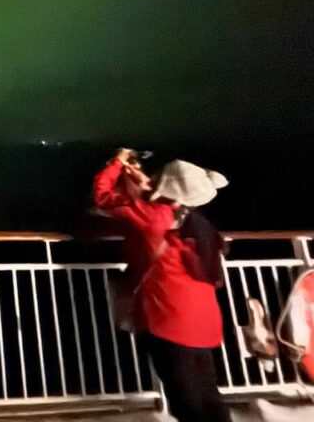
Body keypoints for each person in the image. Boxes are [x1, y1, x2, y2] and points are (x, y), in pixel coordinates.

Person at [93, 148, 231, 422]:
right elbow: (159, 201)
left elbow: (103, 197)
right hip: (204, 322)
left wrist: (117, 163)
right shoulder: (199, 224)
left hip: (170, 320)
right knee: (208, 396)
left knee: (186, 403)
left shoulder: (153, 217)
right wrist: (139, 178)